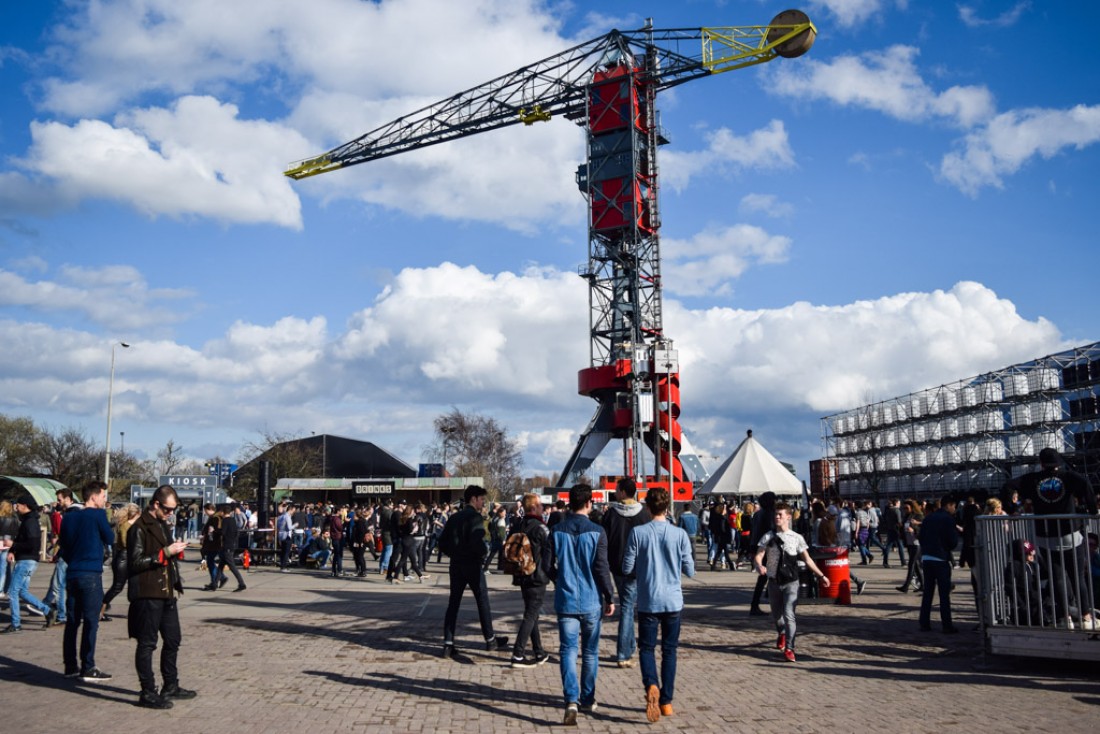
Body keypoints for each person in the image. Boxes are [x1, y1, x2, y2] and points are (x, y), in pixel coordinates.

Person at [622, 487, 694, 722]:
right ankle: (666, 701)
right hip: (673, 599)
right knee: (670, 651)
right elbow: (690, 570)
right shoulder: (679, 534)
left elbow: (626, 567)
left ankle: (651, 684)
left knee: (646, 649)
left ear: (648, 507)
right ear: (667, 507)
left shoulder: (638, 533)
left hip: (648, 599)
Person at [1008, 448, 1099, 630]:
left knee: (1057, 578)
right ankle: (1086, 617)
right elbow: (1085, 484)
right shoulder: (1068, 476)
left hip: (1045, 536)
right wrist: (1092, 510)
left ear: (1041, 463)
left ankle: (1066, 618)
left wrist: (1012, 508)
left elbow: (1009, 486)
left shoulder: (1032, 479)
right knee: (1077, 577)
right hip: (1070, 533)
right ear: (1058, 462)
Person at [549, 484, 616, 726]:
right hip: (590, 600)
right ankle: (587, 697)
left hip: (566, 599)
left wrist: (558, 579)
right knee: (590, 652)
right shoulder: (597, 531)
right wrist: (609, 596)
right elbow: (601, 568)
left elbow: (546, 564)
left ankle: (571, 700)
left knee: (567, 650)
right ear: (589, 503)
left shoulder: (556, 530)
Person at [127, 484, 196, 709]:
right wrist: (165, 553)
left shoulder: (162, 524)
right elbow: (135, 562)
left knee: (173, 639)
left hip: (166, 591)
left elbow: (167, 554)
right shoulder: (139, 528)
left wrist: (175, 552)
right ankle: (147, 691)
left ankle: (171, 684)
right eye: (167, 509)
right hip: (148, 592)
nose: (170, 513)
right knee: (147, 643)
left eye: (172, 510)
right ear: (156, 504)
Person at [753, 501, 830, 663]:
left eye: (780, 515)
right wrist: (759, 566)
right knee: (777, 616)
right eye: (776, 514)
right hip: (773, 581)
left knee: (789, 615)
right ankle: (781, 633)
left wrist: (821, 576)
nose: (777, 517)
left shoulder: (797, 538)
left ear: (788, 517)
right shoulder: (768, 536)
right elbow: (758, 555)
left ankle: (790, 648)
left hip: (791, 582)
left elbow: (808, 560)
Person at [440, 485, 508, 657]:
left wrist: (455, 553)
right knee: (482, 600)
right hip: (472, 564)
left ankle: (448, 643)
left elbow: (442, 543)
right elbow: (477, 541)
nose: (483, 502)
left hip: (456, 564)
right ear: (473, 499)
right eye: (481, 499)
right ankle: (490, 640)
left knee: (453, 603)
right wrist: (483, 554)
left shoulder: (454, 517)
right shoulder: (475, 517)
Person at [58, 480, 114, 681]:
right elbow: (110, 538)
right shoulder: (97, 515)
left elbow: (63, 545)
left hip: (73, 572)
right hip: (90, 573)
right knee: (91, 621)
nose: (105, 500)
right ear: (94, 496)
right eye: (103, 496)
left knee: (72, 621)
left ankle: (70, 665)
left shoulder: (69, 517)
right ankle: (88, 666)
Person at [601, 477, 651, 668]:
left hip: (617, 566)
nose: (615, 492)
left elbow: (604, 540)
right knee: (628, 608)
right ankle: (623, 653)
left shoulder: (611, 514)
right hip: (636, 567)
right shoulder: (643, 515)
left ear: (623, 492)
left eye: (616, 489)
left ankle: (628, 648)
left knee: (627, 606)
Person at [509, 492, 552, 668]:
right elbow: (550, 551)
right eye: (540, 505)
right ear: (534, 507)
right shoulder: (540, 528)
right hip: (537, 576)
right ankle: (518, 654)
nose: (543, 507)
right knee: (530, 615)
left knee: (531, 612)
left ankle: (539, 652)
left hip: (522, 575)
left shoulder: (519, 524)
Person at [2, 495, 55, 634]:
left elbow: (32, 544)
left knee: (13, 592)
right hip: (27, 559)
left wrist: (13, 545)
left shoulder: (30, 522)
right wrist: (13, 550)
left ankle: (16, 623)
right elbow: (23, 540)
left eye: (18, 505)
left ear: (25, 505)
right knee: (22, 591)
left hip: (26, 560)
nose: (16, 507)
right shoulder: (28, 520)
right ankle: (48, 611)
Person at [918, 494, 961, 633]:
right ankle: (946, 625)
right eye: (954, 506)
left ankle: (924, 623)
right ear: (948, 505)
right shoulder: (948, 519)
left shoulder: (929, 517)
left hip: (927, 557)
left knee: (928, 593)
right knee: (944, 594)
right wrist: (947, 548)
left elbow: (921, 536)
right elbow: (953, 541)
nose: (955, 509)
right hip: (941, 558)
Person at [44, 488, 82, 627]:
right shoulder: (79, 511)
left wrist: (60, 552)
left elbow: (67, 535)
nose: (58, 503)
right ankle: (50, 605)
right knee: (62, 584)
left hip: (67, 554)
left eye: (60, 500)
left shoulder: (71, 514)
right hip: (74, 554)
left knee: (59, 585)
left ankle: (61, 614)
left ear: (67, 499)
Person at [102, 503, 141, 621]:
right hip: (123, 559)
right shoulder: (125, 526)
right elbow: (124, 543)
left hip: (130, 558)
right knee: (117, 586)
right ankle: (101, 608)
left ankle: (135, 613)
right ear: (136, 514)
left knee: (135, 586)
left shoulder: (135, 525)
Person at [748, 492, 777, 615]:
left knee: (764, 577)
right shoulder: (769, 514)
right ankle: (757, 604)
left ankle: (756, 603)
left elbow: (753, 531)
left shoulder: (758, 514)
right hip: (767, 547)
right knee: (767, 576)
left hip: (757, 546)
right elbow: (771, 530)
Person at [216, 504, 247, 592]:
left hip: (227, 546)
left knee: (232, 567)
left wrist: (215, 531)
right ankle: (214, 583)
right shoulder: (233, 520)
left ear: (223, 512)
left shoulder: (225, 521)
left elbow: (223, 532)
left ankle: (242, 584)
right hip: (231, 545)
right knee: (220, 566)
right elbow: (236, 532)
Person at [881, 498, 906, 568]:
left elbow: (885, 519)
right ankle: (903, 562)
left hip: (890, 529)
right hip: (896, 530)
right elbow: (899, 521)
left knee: (888, 546)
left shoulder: (888, 510)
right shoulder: (897, 510)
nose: (900, 505)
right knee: (900, 545)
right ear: (897, 503)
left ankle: (885, 562)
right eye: (899, 503)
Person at [276, 504, 296, 572]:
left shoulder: (281, 517)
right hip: (287, 535)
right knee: (286, 552)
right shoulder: (288, 517)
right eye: (293, 511)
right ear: (290, 510)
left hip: (281, 535)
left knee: (283, 551)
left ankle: (282, 566)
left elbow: (278, 525)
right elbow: (289, 527)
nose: (293, 512)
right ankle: (284, 567)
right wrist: (295, 525)